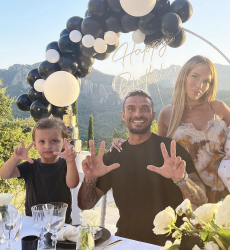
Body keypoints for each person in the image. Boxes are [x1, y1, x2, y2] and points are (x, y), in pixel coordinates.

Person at [112, 56, 230, 202]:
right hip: (188, 196)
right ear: (184, 76)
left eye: (206, 81)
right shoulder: (168, 115)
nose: (200, 85)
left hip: (228, 193)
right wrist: (128, 143)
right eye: (195, 77)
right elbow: (157, 152)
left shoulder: (218, 108)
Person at [77, 90, 207, 246]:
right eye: (131, 109)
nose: (138, 114)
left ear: (153, 115)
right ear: (123, 115)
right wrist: (90, 178)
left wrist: (181, 180)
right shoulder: (113, 156)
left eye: (145, 109)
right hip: (127, 241)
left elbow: (201, 199)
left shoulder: (171, 150)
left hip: (171, 244)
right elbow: (85, 204)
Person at [0, 118, 79, 224]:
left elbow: (73, 184)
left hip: (61, 223)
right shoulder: (30, 165)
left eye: (54, 141)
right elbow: (4, 174)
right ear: (35, 145)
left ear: (65, 143)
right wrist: (16, 158)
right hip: (34, 221)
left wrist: (70, 161)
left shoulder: (66, 165)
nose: (48, 146)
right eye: (42, 141)